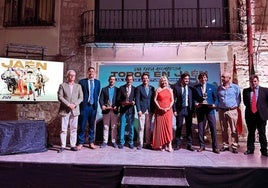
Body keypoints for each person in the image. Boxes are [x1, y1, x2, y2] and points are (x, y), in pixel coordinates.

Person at [57, 70, 83, 153]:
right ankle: (63, 146)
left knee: (74, 129)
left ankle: (72, 145)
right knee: (63, 129)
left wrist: (74, 104)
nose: (72, 77)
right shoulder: (62, 85)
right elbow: (60, 97)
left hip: (75, 110)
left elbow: (81, 97)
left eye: (74, 75)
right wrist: (68, 104)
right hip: (65, 110)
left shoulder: (78, 86)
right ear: (67, 76)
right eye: (70, 75)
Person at [194, 72, 220, 154]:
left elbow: (216, 98)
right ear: (199, 79)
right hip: (200, 110)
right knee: (201, 129)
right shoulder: (196, 87)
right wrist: (195, 103)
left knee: (213, 128)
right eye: (201, 78)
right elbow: (194, 98)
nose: (203, 79)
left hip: (210, 110)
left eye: (204, 77)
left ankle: (215, 147)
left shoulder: (212, 87)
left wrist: (214, 104)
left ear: (207, 78)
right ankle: (202, 146)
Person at [243, 74, 268, 156]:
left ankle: (264, 150)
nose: (253, 83)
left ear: (258, 81)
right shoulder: (246, 91)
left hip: (261, 115)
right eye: (251, 81)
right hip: (250, 115)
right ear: (249, 82)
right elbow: (246, 103)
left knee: (262, 133)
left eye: (255, 81)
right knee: (251, 133)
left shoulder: (265, 90)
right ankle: (250, 149)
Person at [217, 72, 241, 154]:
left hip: (232, 111)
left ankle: (234, 145)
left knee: (233, 129)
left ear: (229, 78)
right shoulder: (219, 88)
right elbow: (218, 98)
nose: (222, 78)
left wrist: (234, 106)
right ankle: (225, 145)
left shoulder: (235, 87)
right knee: (224, 129)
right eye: (222, 77)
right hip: (222, 111)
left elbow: (238, 98)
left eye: (224, 77)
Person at [77, 67, 101, 150]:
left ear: (95, 73)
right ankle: (80, 143)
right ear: (88, 72)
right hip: (84, 106)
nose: (91, 73)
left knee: (91, 125)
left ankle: (91, 142)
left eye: (93, 71)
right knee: (82, 125)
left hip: (93, 107)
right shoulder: (82, 82)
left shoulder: (98, 82)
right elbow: (79, 94)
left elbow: (97, 94)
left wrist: (95, 104)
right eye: (90, 71)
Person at [173, 72, 195, 151]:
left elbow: (192, 100)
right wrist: (174, 110)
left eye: (188, 79)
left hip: (188, 110)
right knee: (179, 127)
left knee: (189, 128)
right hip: (180, 110)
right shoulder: (176, 88)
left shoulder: (191, 88)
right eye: (185, 79)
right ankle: (178, 144)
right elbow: (173, 101)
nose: (187, 80)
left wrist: (193, 111)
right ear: (181, 79)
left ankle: (189, 145)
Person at [152, 76, 174, 152]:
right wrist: (159, 107)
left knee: (168, 128)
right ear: (160, 82)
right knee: (160, 128)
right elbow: (155, 100)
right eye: (162, 80)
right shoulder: (157, 89)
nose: (163, 82)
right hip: (159, 111)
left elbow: (172, 100)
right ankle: (162, 144)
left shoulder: (170, 90)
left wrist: (168, 108)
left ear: (167, 81)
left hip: (168, 111)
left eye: (165, 80)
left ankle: (169, 144)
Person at [135, 73, 155, 150]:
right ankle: (140, 143)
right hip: (142, 111)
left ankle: (148, 143)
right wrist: (139, 110)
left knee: (148, 128)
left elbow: (153, 100)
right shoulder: (139, 88)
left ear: (149, 79)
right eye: (143, 78)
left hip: (150, 111)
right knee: (141, 127)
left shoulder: (152, 88)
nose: (145, 79)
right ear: (142, 79)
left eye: (146, 78)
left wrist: (153, 110)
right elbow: (137, 100)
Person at [99, 75, 119, 148]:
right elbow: (101, 99)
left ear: (115, 81)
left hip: (114, 110)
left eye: (113, 79)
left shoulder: (117, 89)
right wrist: (102, 106)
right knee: (106, 126)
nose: (112, 81)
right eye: (111, 79)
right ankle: (105, 141)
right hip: (106, 111)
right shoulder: (104, 89)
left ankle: (114, 141)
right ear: (108, 80)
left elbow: (119, 100)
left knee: (114, 127)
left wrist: (117, 106)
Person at [117, 74, 136, 149]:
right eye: (128, 79)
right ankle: (121, 142)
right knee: (122, 126)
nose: (129, 81)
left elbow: (136, 99)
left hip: (131, 110)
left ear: (132, 80)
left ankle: (131, 142)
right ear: (126, 80)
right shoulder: (121, 88)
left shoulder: (135, 89)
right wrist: (123, 103)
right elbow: (118, 99)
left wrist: (134, 102)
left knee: (131, 127)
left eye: (130, 79)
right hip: (123, 110)